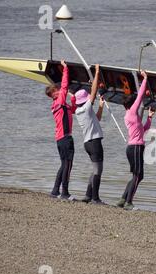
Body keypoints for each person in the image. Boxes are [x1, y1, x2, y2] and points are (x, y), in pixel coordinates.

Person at [117, 70, 155, 210]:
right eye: (135, 104)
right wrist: (145, 79)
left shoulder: (132, 117)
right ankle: (128, 202)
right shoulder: (132, 113)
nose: (137, 104)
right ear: (131, 105)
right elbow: (140, 96)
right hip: (136, 148)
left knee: (136, 175)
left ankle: (123, 199)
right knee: (138, 175)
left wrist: (150, 117)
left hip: (133, 147)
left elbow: (143, 129)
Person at [74, 64, 105, 205]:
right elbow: (94, 90)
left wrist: (100, 106)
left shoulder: (79, 111)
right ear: (84, 100)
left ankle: (87, 196)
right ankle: (95, 198)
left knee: (94, 170)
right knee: (98, 171)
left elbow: (97, 118)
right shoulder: (86, 107)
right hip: (94, 142)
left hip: (87, 143)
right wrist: (97, 72)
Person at [45, 60, 76, 201]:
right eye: (56, 90)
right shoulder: (59, 100)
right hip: (65, 138)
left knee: (63, 164)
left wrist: (73, 98)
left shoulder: (59, 105)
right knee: (68, 165)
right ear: (54, 93)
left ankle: (55, 191)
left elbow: (73, 110)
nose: (60, 90)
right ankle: (65, 193)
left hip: (60, 139)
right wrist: (65, 69)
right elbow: (64, 85)